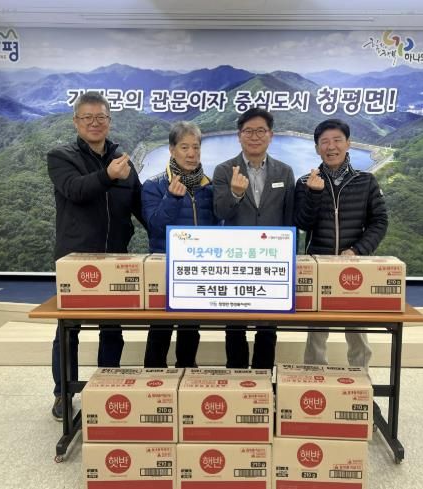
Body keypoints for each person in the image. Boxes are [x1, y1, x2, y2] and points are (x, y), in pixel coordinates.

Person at [47, 91, 145, 420]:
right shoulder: (61, 156)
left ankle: (108, 383)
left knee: (112, 328)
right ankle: (63, 393)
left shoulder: (122, 160)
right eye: (87, 117)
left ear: (109, 121)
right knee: (68, 330)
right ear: (76, 122)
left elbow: (141, 206)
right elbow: (75, 190)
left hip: (115, 258)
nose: (94, 123)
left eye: (100, 117)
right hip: (75, 261)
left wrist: (176, 235)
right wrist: (108, 176)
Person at [294, 118, 388, 370]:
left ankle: (361, 377)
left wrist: (357, 250)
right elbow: (302, 223)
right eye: (324, 142)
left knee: (357, 329)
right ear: (317, 148)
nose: (331, 146)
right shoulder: (305, 182)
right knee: (316, 333)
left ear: (348, 144)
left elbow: (379, 222)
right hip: (319, 265)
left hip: (354, 265)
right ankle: (315, 376)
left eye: (337, 140)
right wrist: (314, 194)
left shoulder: (366, 181)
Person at [212, 107, 295, 369]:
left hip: (273, 260)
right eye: (248, 131)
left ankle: (262, 379)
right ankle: (236, 378)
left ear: (271, 135)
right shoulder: (224, 170)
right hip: (235, 259)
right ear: (239, 136)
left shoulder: (284, 172)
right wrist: (235, 194)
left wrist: (290, 257)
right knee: (235, 326)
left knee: (268, 326)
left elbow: (289, 218)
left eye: (261, 131)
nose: (255, 136)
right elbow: (220, 212)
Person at [141, 121, 218, 368]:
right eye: (185, 147)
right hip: (164, 266)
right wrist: (172, 198)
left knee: (191, 328)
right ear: (172, 150)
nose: (191, 153)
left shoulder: (209, 187)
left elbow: (218, 227)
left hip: (197, 269)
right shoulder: (154, 186)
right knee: (160, 329)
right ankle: (154, 376)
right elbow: (154, 226)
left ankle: (187, 373)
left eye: (196, 147)